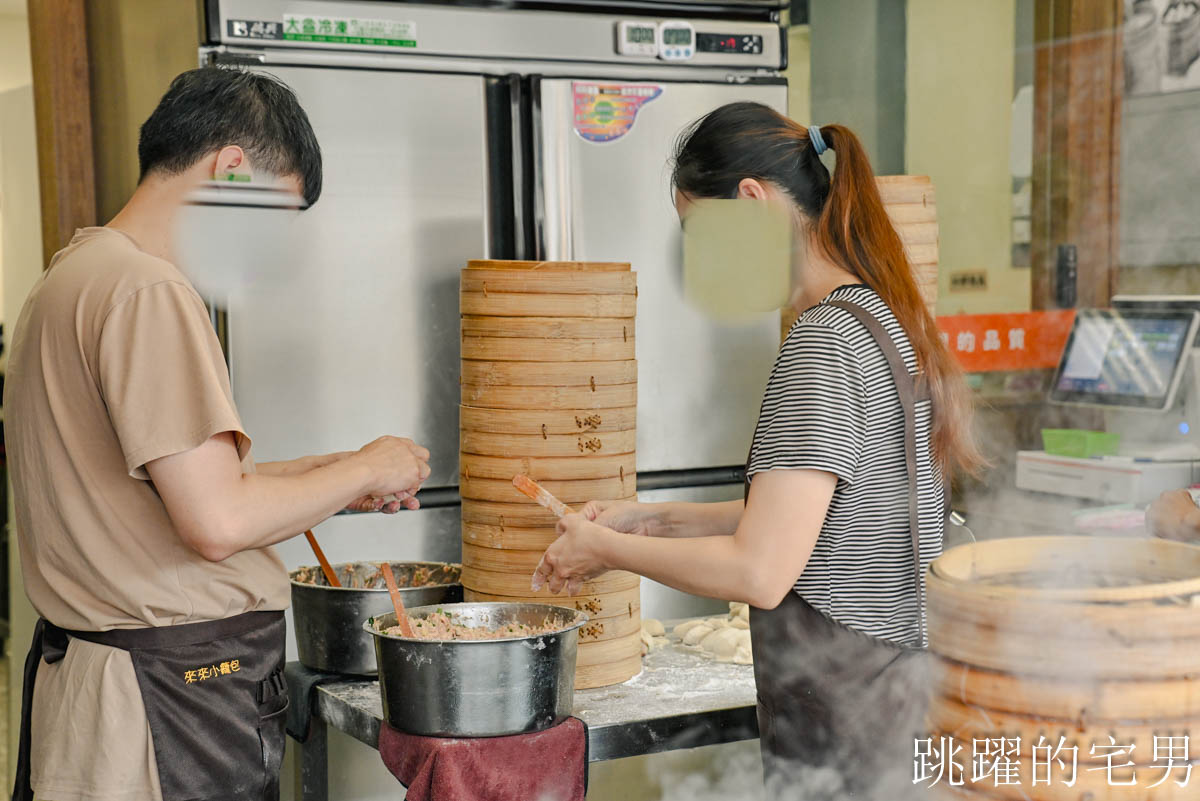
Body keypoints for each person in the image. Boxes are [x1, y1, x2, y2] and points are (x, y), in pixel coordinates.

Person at [532, 103, 983, 798]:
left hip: (845, 742)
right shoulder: (878, 318)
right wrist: (647, 518)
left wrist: (604, 551)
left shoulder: (823, 344)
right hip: (899, 713)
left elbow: (761, 569)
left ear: (750, 200)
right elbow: (825, 514)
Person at [6, 67, 431, 801]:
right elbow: (215, 520)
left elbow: (181, 485)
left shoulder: (72, 276)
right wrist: (364, 466)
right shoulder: (150, 291)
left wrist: (335, 475)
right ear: (231, 170)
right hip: (164, 707)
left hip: (104, 693)